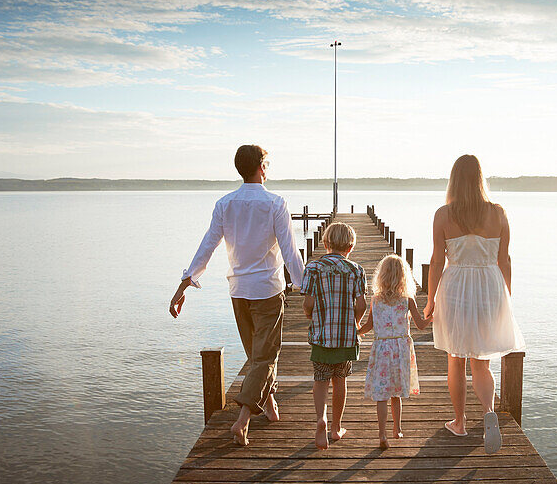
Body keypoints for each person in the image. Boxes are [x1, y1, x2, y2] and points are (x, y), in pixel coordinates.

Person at [168, 145, 305, 446]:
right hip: (268, 291)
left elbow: (208, 245)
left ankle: (269, 406)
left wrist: (185, 283)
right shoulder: (275, 203)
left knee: (258, 357)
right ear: (261, 167)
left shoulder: (225, 204)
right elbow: (290, 250)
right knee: (265, 357)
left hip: (239, 291)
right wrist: (304, 285)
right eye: (267, 162)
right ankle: (242, 421)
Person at [423, 154, 525, 454]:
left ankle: (459, 422)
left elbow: (436, 261)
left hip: (455, 287)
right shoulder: (498, 213)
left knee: (455, 359)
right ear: (481, 179)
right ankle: (488, 412)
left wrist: (430, 301)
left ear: (454, 180)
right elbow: (504, 260)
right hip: (489, 289)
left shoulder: (443, 214)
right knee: (481, 362)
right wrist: (506, 296)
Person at [301, 222, 367, 450]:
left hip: (321, 336)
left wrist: (310, 315)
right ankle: (336, 427)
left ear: (326, 244)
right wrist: (356, 324)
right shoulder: (356, 270)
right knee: (340, 380)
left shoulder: (313, 268)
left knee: (320, 379)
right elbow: (362, 304)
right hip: (346, 337)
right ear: (350, 247)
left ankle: (321, 418)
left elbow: (308, 302)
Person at [358, 254, 430, 449]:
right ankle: (397, 429)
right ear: (403, 277)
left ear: (382, 276)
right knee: (396, 393)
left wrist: (356, 332)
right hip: (400, 350)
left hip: (381, 348)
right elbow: (421, 325)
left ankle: (382, 434)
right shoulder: (408, 300)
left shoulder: (376, 300)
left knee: (382, 394)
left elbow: (369, 325)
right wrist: (434, 314)